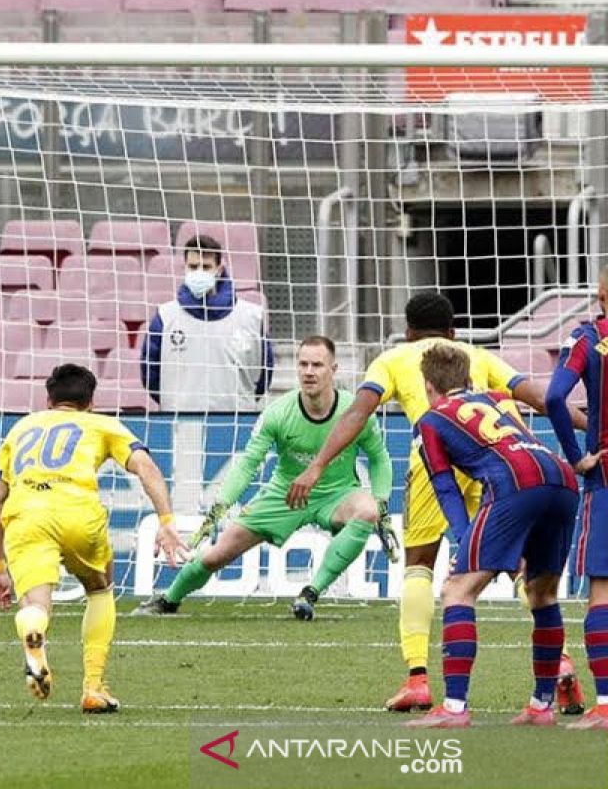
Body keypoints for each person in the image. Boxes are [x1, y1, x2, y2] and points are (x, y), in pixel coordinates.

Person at [284, 291, 585, 712]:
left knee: (420, 566)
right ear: (452, 332)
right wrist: (590, 423)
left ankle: (419, 679)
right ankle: (561, 663)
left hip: (436, 455)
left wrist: (317, 465)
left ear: (407, 333)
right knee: (523, 567)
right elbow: (536, 395)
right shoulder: (472, 355)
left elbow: (357, 413)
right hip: (506, 463)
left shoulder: (394, 359)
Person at [133, 336, 395, 621]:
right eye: (303, 364)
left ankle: (310, 593)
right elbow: (248, 463)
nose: (309, 371)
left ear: (334, 369)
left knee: (367, 510)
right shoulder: (278, 413)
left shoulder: (356, 412)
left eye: (317, 365)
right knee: (215, 556)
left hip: (337, 493)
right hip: (285, 495)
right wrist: (221, 506)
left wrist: (381, 503)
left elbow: (379, 458)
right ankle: (169, 600)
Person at [0, 363, 185, 713]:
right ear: (91, 402)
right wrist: (166, 521)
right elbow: (147, 468)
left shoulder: (21, 428)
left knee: (36, 604)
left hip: (27, 515)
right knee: (100, 586)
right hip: (78, 513)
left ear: (49, 399)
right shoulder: (103, 424)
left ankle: (33, 631)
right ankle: (93, 687)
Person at [407, 345, 578, 729]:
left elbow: (445, 487)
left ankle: (453, 709)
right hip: (562, 479)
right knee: (542, 594)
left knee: (457, 590)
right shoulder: (497, 399)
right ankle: (541, 706)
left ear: (429, 386)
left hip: (516, 484)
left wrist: (465, 539)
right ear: (468, 380)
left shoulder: (431, 420)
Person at [544, 263, 608, 729]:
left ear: (601, 296)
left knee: (602, 593)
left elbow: (553, 397)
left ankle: (606, 705)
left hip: (605, 474)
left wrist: (576, 454)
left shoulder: (589, 338)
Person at [140, 234, 273, 412]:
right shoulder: (165, 316)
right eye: (193, 267)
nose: (199, 272)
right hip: (180, 423)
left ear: (219, 269)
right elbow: (150, 377)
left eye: (206, 267)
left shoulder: (252, 318)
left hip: (236, 425)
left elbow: (263, 376)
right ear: (185, 268)